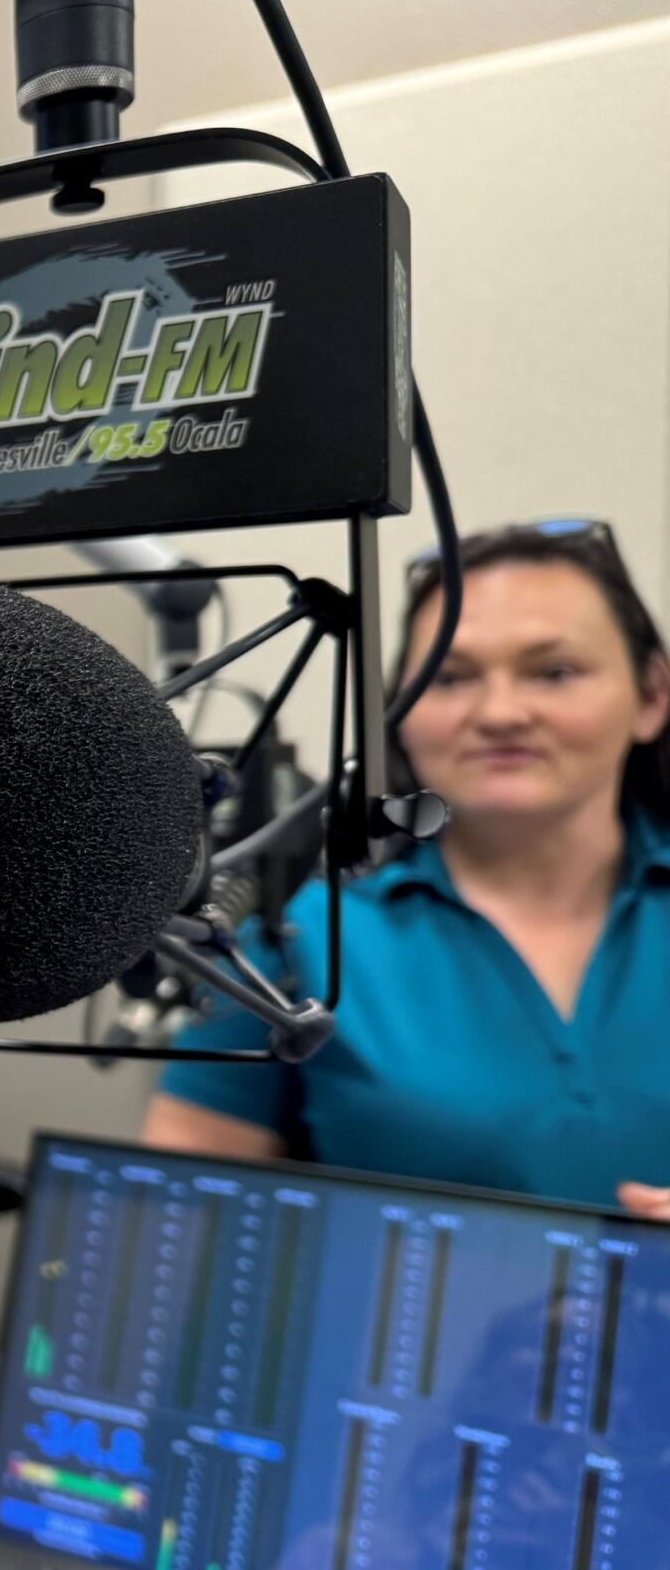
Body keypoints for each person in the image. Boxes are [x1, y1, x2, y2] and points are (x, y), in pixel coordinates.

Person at [141, 519, 670, 1214]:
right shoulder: (297, 940)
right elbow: (167, 1219)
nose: (500, 713)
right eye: (448, 678)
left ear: (651, 696)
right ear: (398, 715)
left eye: (555, 672)